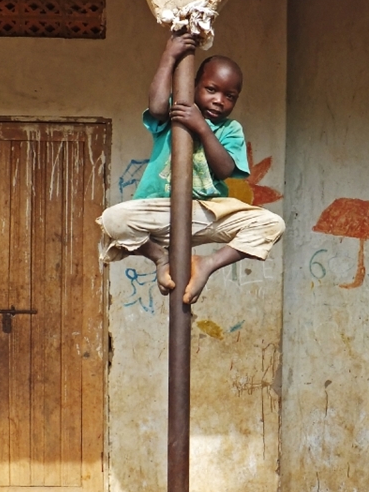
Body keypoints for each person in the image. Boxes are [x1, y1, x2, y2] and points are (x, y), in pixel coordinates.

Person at [97, 31, 285, 304]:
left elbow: (223, 169)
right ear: (194, 86)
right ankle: (161, 258)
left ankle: (206, 265)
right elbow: (157, 106)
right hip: (161, 209)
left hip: (206, 212)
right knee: (113, 220)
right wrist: (169, 57)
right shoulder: (178, 109)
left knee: (272, 224)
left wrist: (201, 128)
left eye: (230, 96)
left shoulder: (230, 129)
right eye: (211, 90)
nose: (220, 100)